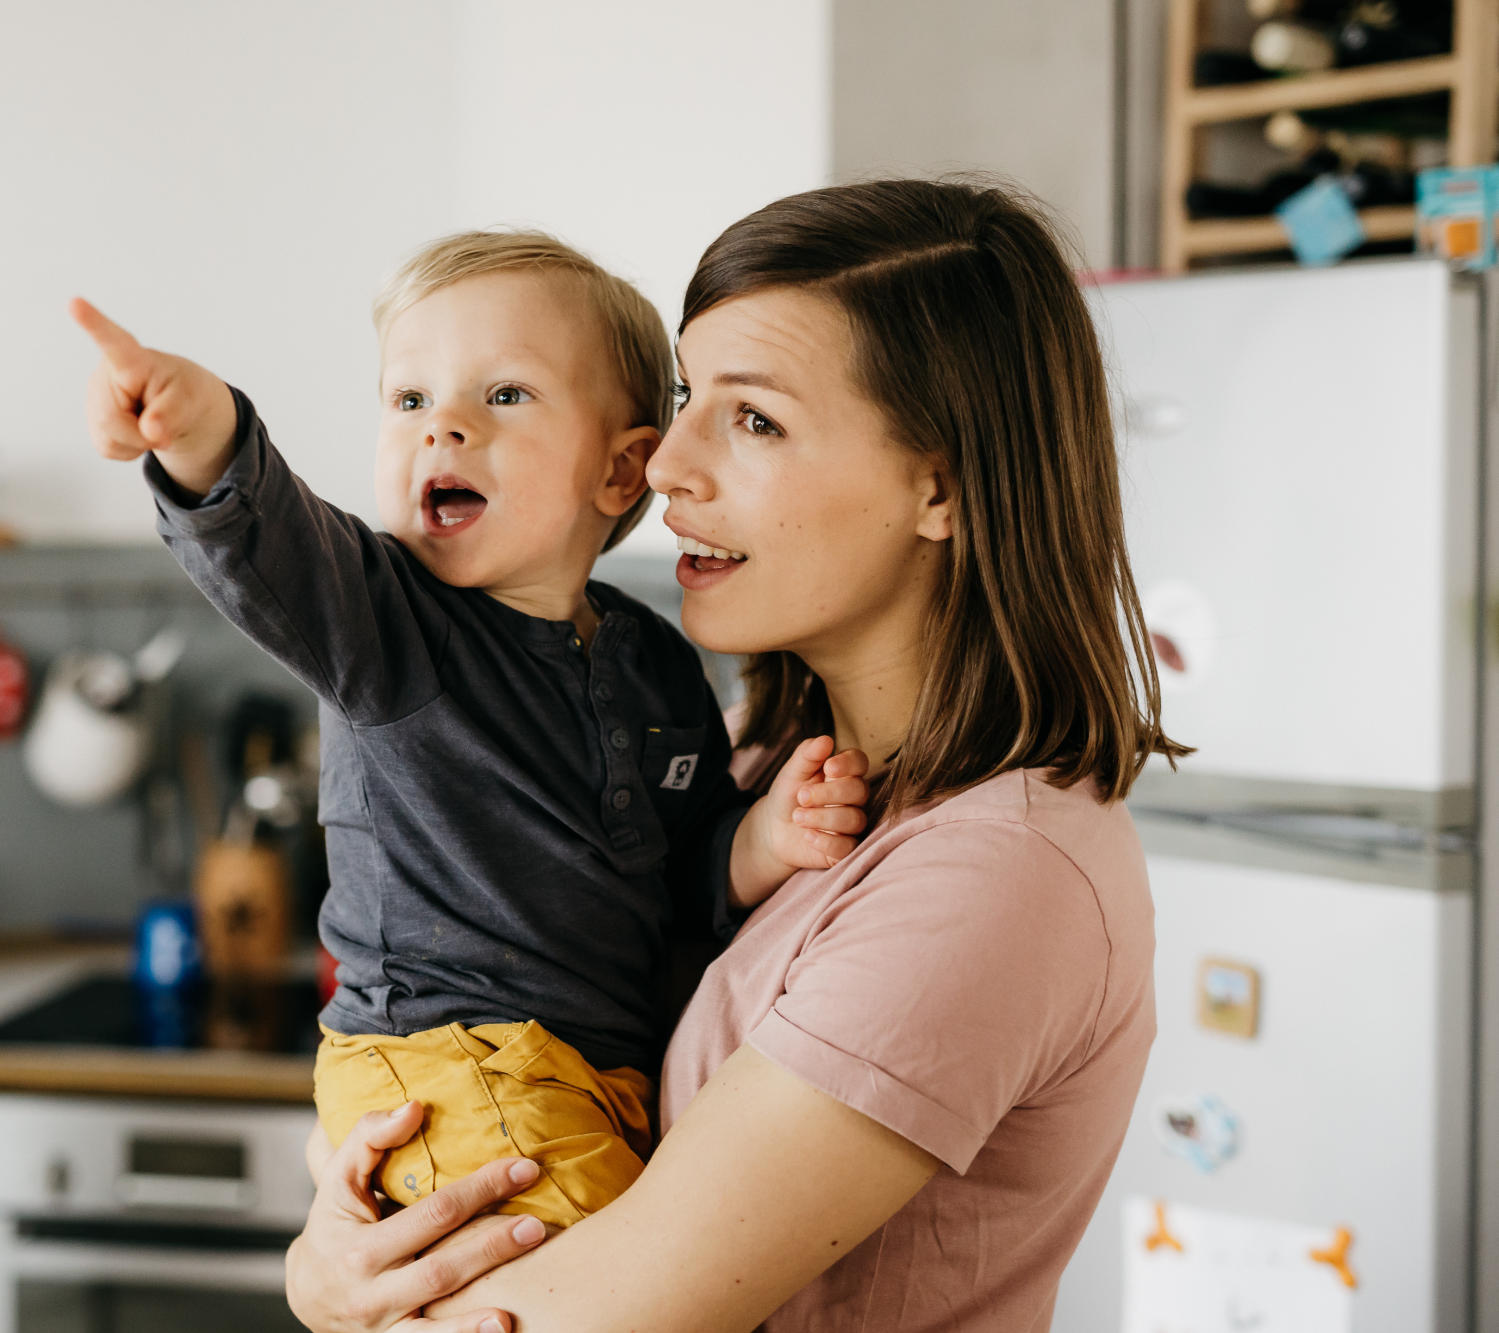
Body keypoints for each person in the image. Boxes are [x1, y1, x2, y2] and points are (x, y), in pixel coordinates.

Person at [283, 178, 1184, 1333]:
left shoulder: (996, 874)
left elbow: (580, 1319)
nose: (663, 468)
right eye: (684, 400)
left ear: (940, 485)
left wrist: (332, 1295)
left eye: (751, 419)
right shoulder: (755, 773)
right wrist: (327, 1248)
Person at [70, 231, 868, 1231]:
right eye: (408, 401)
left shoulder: (657, 662)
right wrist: (201, 429)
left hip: (588, 1074)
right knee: (617, 1274)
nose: (440, 428)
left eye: (503, 396)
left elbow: (686, 866)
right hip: (445, 1059)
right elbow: (261, 531)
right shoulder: (383, 624)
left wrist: (765, 840)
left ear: (622, 471)